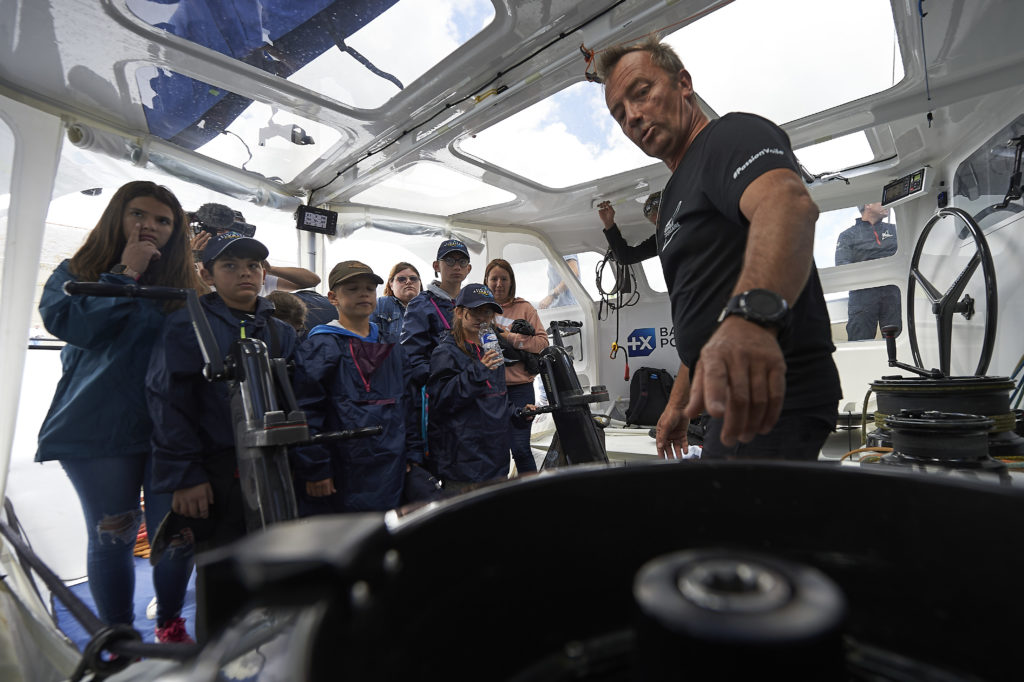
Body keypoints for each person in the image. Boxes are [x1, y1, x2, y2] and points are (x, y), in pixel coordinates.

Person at [599, 38, 842, 461]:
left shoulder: (730, 135)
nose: (633, 116)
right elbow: (708, 319)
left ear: (683, 84)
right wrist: (677, 403)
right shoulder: (676, 190)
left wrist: (750, 320)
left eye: (641, 93)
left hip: (773, 392)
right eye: (620, 114)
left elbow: (787, 205)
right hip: (725, 397)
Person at [36, 180, 202, 643]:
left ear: (176, 232)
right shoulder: (77, 271)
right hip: (98, 429)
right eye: (138, 215)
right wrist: (124, 274)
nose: (149, 226)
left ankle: (170, 620)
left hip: (170, 432)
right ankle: (120, 639)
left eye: (163, 220)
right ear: (117, 217)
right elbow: (75, 326)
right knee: (114, 539)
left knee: (177, 538)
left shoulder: (186, 286)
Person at [146, 231, 297, 639]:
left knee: (276, 571)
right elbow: (168, 403)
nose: (245, 273)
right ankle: (218, 659)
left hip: (276, 470)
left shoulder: (281, 332)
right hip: (214, 473)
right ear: (207, 273)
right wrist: (185, 475)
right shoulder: (187, 326)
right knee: (221, 576)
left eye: (253, 266)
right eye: (230, 265)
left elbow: (300, 402)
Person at [290, 261, 410, 514]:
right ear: (332, 297)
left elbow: (407, 403)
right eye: (352, 289)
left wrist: (413, 455)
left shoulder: (391, 346)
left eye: (369, 288)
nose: (363, 294)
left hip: (392, 467)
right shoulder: (322, 346)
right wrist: (316, 468)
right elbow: (306, 411)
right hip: (342, 470)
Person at [426, 283, 533, 492]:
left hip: (496, 460)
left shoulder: (491, 348)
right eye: (475, 311)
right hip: (464, 464)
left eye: (487, 312)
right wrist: (478, 370)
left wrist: (518, 413)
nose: (482, 318)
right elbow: (441, 401)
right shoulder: (445, 353)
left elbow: (497, 397)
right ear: (459, 312)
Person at [401, 238, 472, 464]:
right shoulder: (421, 304)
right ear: (436, 266)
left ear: (469, 268)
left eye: (462, 261)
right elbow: (412, 356)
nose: (456, 266)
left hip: (473, 390)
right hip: (441, 398)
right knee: (444, 460)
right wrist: (440, 385)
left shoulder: (474, 303)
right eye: (449, 260)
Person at [484, 258, 550, 474]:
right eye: (494, 279)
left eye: (504, 278)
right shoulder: (479, 310)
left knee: (520, 449)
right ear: (486, 281)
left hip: (520, 389)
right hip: (489, 390)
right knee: (495, 451)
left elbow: (542, 343)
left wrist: (510, 338)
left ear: (511, 281)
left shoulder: (524, 307)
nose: (499, 284)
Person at [188, 203, 320, 294]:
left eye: (234, 230)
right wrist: (197, 260)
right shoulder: (186, 269)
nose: (228, 234)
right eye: (221, 229)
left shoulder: (254, 274)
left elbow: (311, 280)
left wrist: (269, 269)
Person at [834, 203, 901, 340]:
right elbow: (842, 266)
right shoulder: (847, 236)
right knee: (859, 340)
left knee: (898, 340)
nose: (886, 204)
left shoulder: (895, 230)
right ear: (868, 205)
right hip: (862, 297)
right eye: (881, 201)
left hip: (893, 294)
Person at [598, 192, 660, 264]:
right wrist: (608, 223)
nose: (661, 226)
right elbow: (625, 257)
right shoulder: (661, 239)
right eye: (657, 223)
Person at [373, 262, 423, 343]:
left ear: (420, 283)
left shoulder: (431, 308)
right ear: (391, 284)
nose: (408, 282)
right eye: (402, 279)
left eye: (413, 278)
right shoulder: (380, 304)